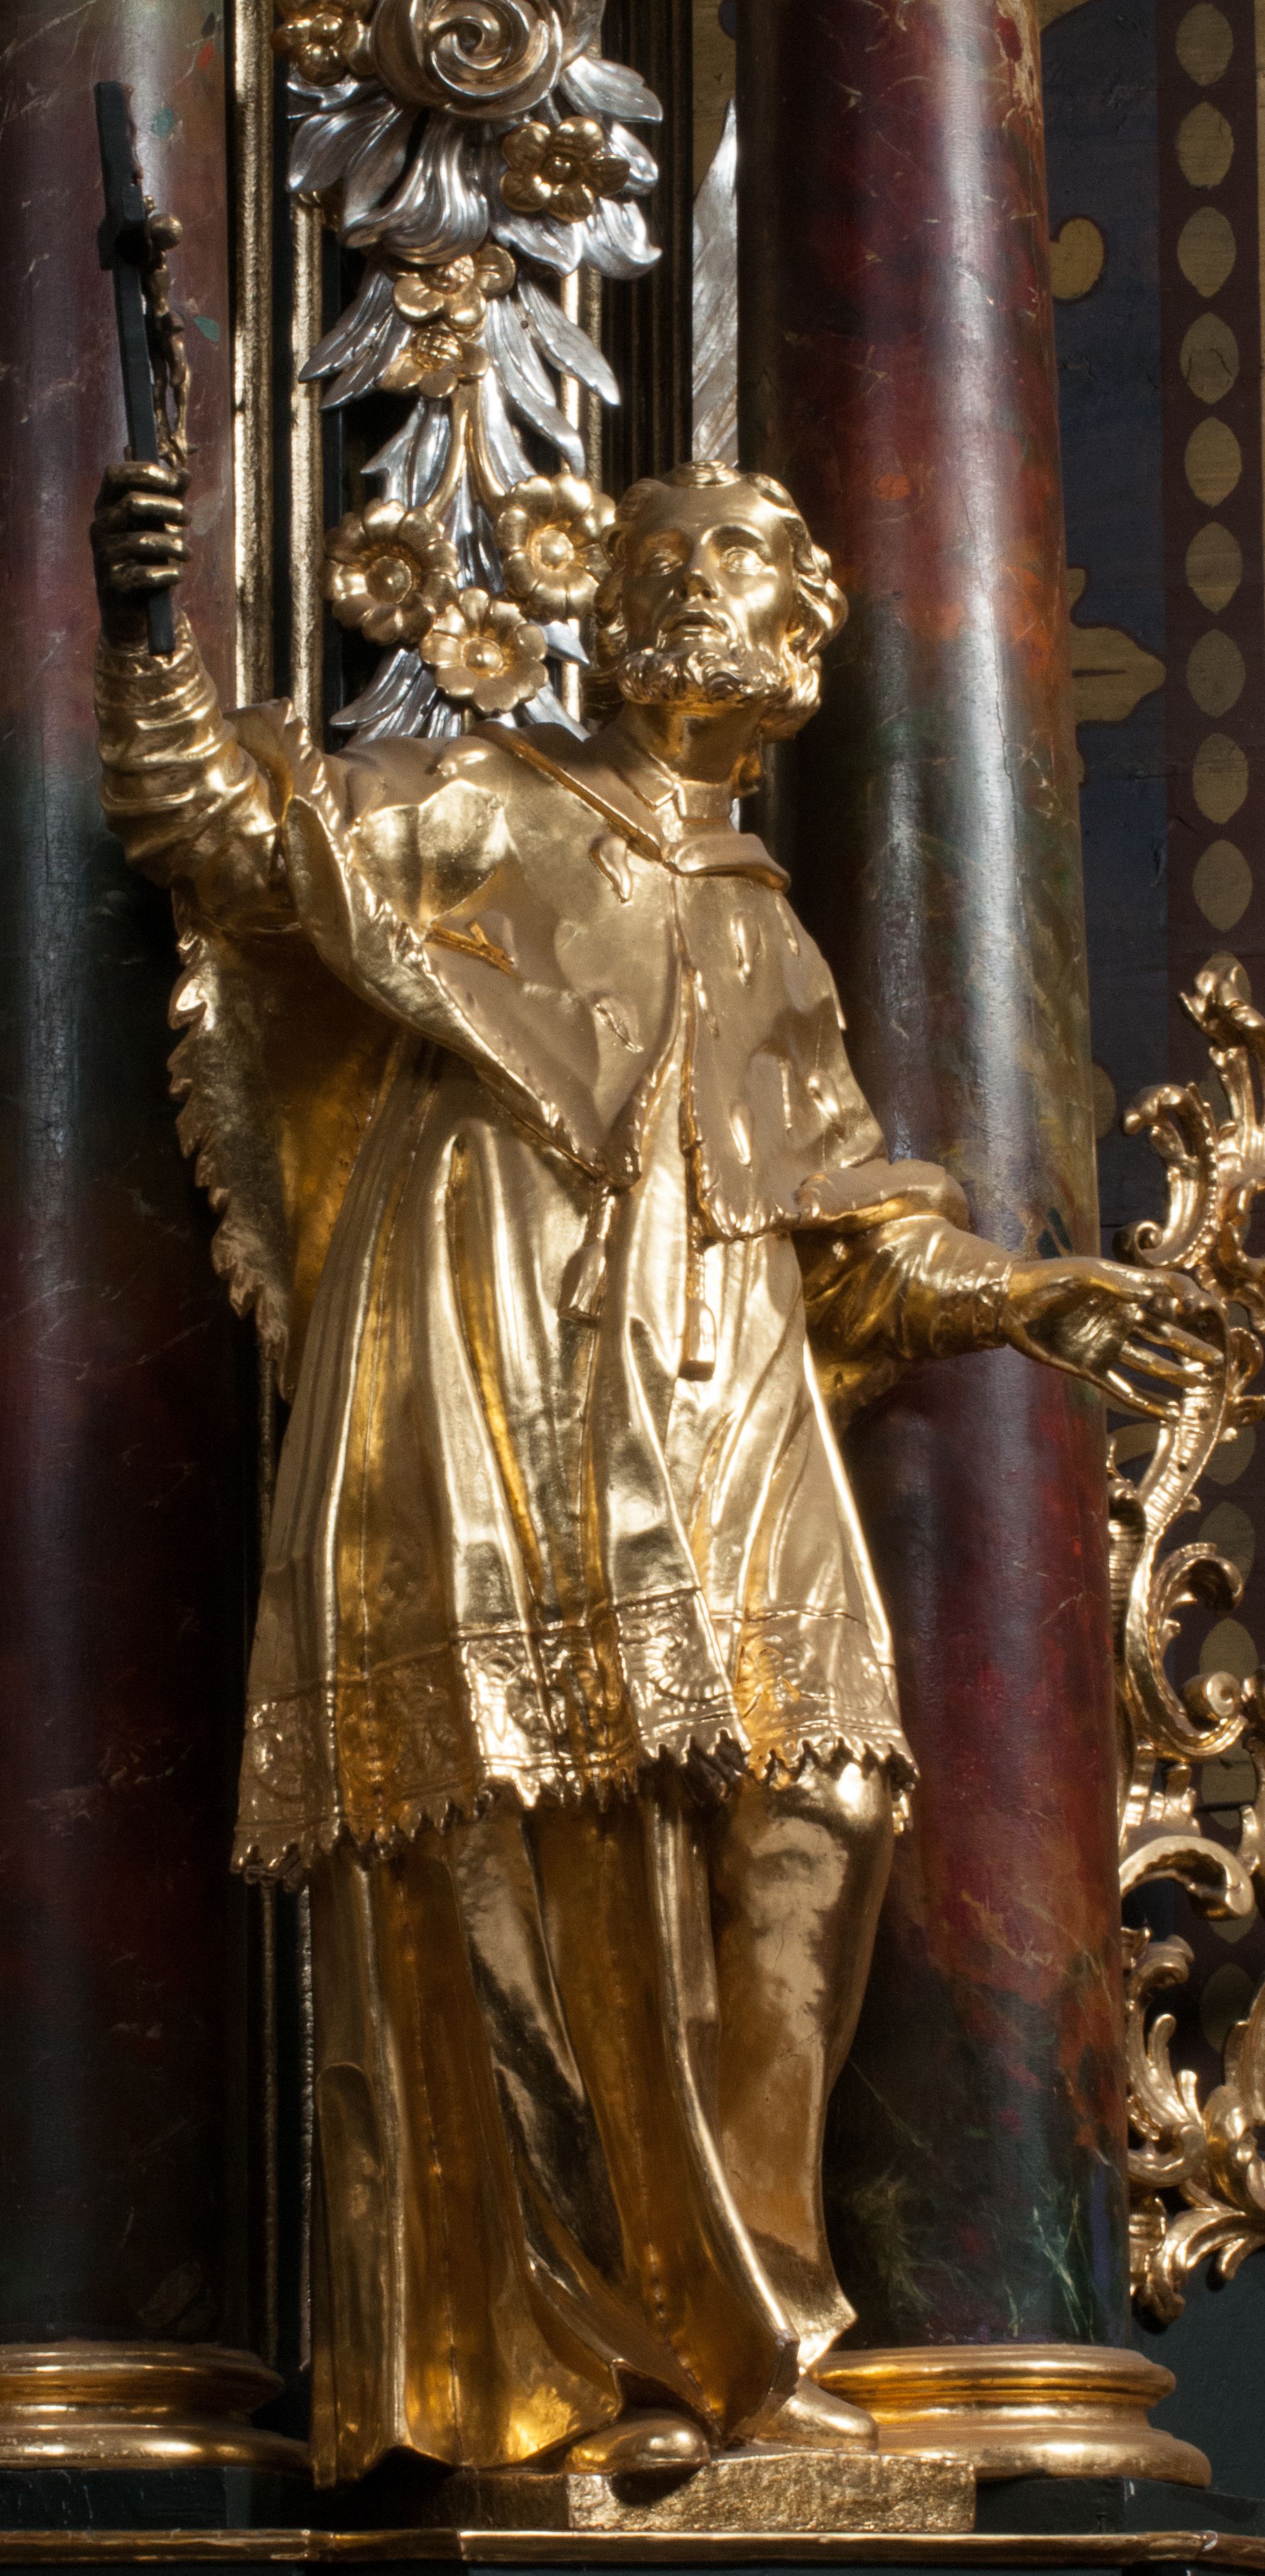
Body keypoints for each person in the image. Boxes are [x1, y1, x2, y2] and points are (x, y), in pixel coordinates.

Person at [92, 454, 1207, 2487]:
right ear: (614, 618)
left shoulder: (769, 927)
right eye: (695, 565)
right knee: (549, 1829)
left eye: (772, 574)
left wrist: (1025, 1295)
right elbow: (218, 830)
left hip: (728, 1387)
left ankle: (743, 2312)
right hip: (504, 1372)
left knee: (822, 1800)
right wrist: (147, 623)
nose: (737, 597)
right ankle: (609, 2362)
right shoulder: (484, 806)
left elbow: (849, 1225)